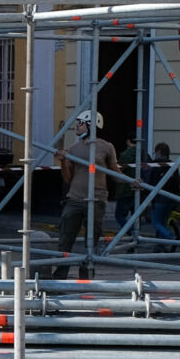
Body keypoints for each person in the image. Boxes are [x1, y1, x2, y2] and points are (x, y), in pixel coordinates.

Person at [53, 110, 121, 268]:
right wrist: (63, 162)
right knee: (65, 238)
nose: (77, 126)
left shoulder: (106, 147)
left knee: (92, 240)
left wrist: (131, 182)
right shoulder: (74, 149)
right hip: (75, 199)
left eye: (81, 123)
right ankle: (60, 275)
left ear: (92, 126)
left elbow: (114, 171)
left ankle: (87, 275)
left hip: (97, 199)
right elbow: (67, 178)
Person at [141, 142, 176, 240]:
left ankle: (170, 237)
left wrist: (148, 198)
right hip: (171, 198)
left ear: (159, 152)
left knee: (156, 223)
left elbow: (150, 181)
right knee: (163, 223)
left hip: (158, 199)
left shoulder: (153, 165)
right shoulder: (172, 164)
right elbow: (177, 182)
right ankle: (161, 245)